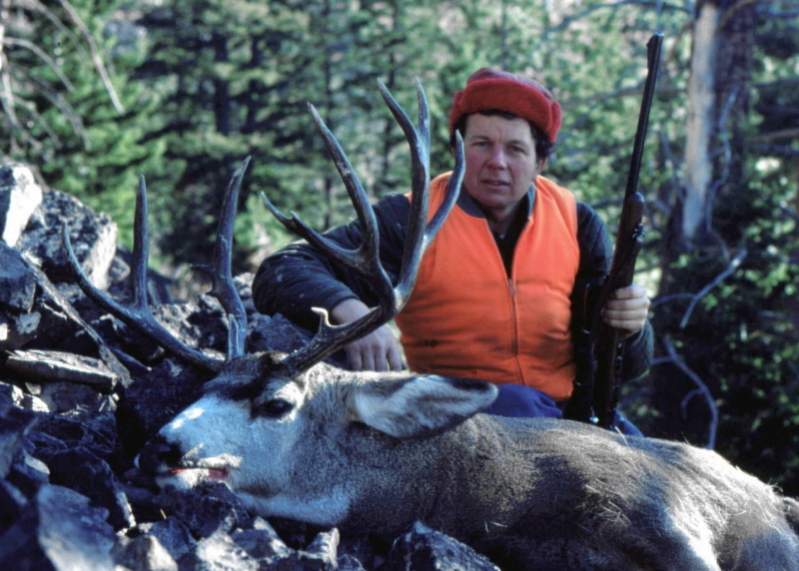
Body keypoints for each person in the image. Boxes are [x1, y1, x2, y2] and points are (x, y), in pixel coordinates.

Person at [253, 68, 653, 432]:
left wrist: (632, 328)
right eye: (481, 144)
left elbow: (627, 365)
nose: (497, 162)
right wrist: (355, 315)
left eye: (515, 149)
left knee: (664, 470)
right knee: (522, 406)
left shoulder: (576, 222)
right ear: (457, 150)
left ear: (540, 161)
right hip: (456, 416)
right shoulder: (410, 218)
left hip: (568, 416)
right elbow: (283, 269)